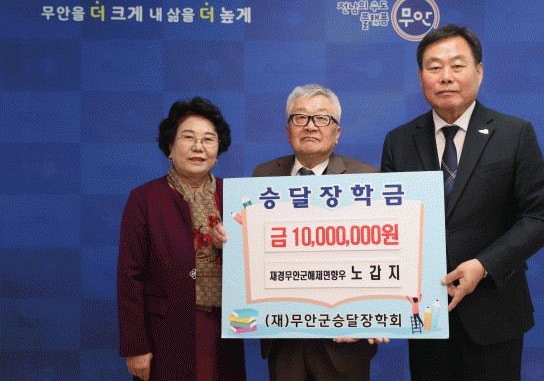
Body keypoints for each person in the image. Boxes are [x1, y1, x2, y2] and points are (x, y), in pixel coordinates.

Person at [381, 24, 544, 380]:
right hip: (426, 316)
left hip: (494, 312)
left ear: (479, 71)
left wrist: (483, 265)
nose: (446, 76)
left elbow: (542, 217)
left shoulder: (514, 133)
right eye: (434, 67)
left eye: (457, 65)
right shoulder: (399, 141)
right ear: (421, 77)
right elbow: (389, 225)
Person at [252, 84, 386, 381]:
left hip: (345, 339)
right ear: (288, 130)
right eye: (300, 117)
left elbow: (383, 253)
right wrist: (234, 239)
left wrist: (378, 312)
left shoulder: (368, 178)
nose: (310, 126)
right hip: (285, 337)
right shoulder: (263, 176)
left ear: (337, 133)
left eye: (322, 118)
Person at [117, 97, 246, 381]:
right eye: (188, 137)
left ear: (219, 148)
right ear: (170, 146)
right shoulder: (145, 199)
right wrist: (136, 346)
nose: (199, 147)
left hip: (225, 328)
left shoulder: (236, 197)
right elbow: (130, 276)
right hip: (166, 331)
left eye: (208, 139)